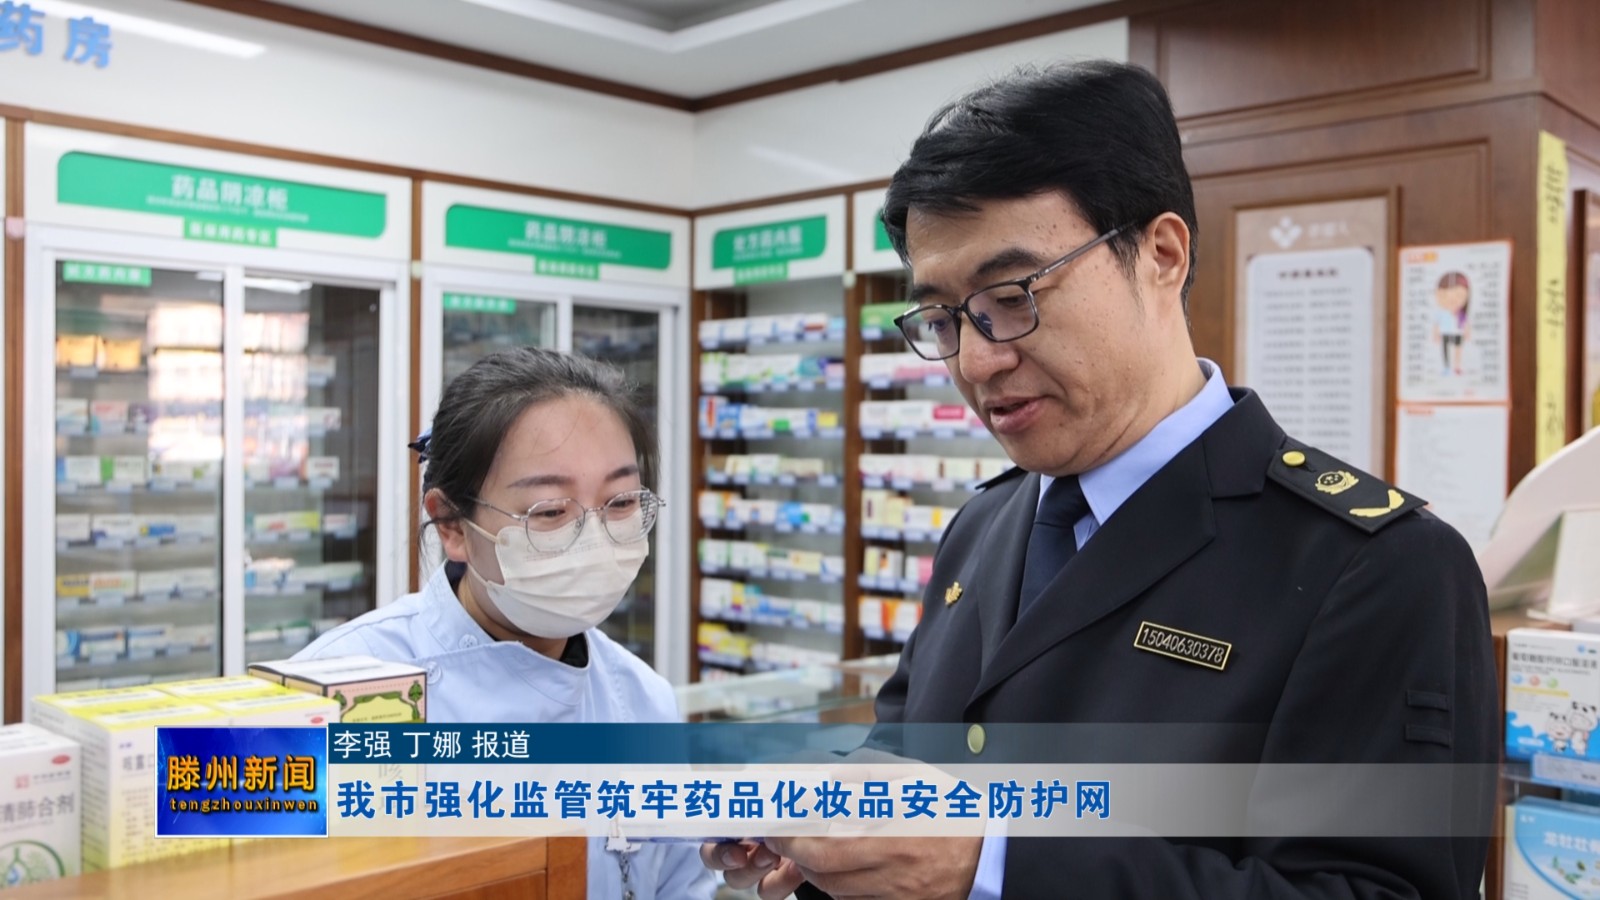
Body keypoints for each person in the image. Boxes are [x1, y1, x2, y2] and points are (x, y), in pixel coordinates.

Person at [706, 60, 1495, 899]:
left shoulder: (1374, 567)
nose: (977, 362)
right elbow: (910, 763)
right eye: (943, 318)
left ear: (1161, 255)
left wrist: (994, 861)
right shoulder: (984, 527)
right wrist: (834, 832)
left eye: (1012, 297)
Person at [296, 348, 715, 900]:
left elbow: (681, 886)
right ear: (451, 524)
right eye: (549, 512)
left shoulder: (641, 700)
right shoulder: (331, 695)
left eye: (620, 501)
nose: (595, 538)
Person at [1433, 271, 1471, 376]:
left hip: (1458, 333)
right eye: (1444, 295)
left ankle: (1457, 366)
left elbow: (1466, 324)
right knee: (1446, 351)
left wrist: (1467, 332)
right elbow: (1437, 324)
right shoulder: (1441, 312)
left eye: (1459, 295)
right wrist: (1436, 334)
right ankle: (1446, 367)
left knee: (1457, 350)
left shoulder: (1461, 313)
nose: (1451, 300)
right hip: (1445, 333)